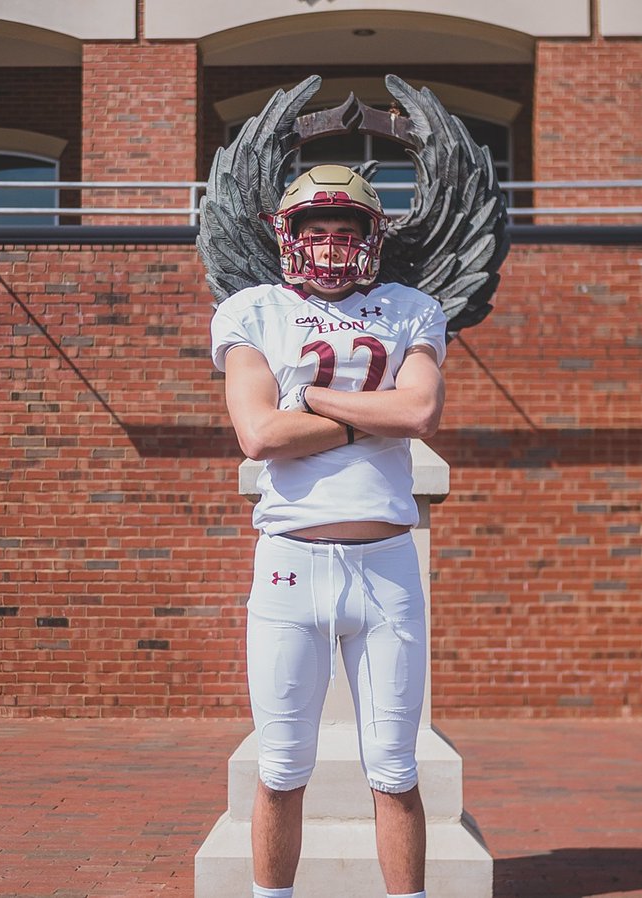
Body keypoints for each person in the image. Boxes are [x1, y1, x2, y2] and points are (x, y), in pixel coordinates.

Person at [210, 163, 447, 898]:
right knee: (280, 769)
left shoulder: (411, 307)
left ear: (374, 239)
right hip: (291, 566)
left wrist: (307, 395)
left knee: (396, 770)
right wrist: (360, 416)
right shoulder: (252, 311)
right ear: (288, 238)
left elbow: (417, 415)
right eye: (317, 231)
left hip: (386, 567)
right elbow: (257, 434)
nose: (333, 246)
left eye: (349, 231)